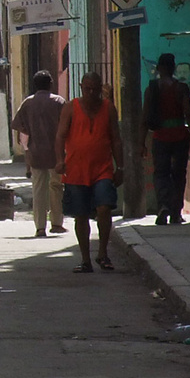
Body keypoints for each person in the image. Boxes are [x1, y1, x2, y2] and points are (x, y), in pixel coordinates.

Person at [56, 72, 125, 273]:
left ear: (100, 88)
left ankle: (103, 253)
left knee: (104, 208)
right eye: (87, 89)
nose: (91, 93)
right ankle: (86, 259)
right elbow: (60, 136)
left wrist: (120, 167)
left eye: (95, 89)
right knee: (81, 215)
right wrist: (60, 160)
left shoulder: (108, 108)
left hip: (102, 169)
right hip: (76, 170)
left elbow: (116, 139)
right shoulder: (70, 108)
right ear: (81, 87)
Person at [142, 52, 190, 225]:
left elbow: (145, 117)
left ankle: (163, 206)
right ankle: (176, 212)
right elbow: (189, 115)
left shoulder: (152, 89)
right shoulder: (181, 88)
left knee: (161, 173)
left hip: (160, 136)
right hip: (179, 136)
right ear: (173, 68)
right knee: (178, 174)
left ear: (159, 69)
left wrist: (141, 143)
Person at [11, 70, 67, 238]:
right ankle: (56, 223)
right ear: (50, 84)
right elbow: (67, 126)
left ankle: (40, 227)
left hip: (36, 153)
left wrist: (26, 148)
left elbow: (19, 127)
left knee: (38, 189)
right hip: (56, 153)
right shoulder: (59, 102)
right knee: (56, 187)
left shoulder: (28, 103)